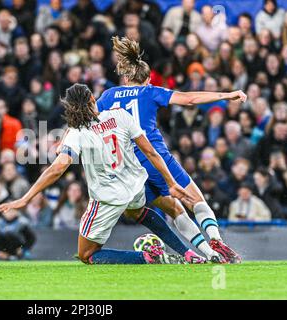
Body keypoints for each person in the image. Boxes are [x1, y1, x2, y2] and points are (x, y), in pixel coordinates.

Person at [0, 83, 198, 265]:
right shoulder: (119, 115)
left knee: (86, 254)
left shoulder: (77, 132)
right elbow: (151, 152)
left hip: (108, 196)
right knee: (136, 212)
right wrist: (170, 182)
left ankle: (147, 257)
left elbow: (57, 168)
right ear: (93, 98)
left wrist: (25, 198)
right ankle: (188, 253)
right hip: (135, 184)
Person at [96, 36, 246, 263]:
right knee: (197, 202)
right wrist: (226, 95)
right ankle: (216, 241)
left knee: (175, 210)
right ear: (147, 79)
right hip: (154, 159)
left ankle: (208, 254)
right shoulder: (149, 91)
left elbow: (86, 121)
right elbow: (189, 99)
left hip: (128, 169)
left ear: (126, 77)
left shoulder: (108, 95)